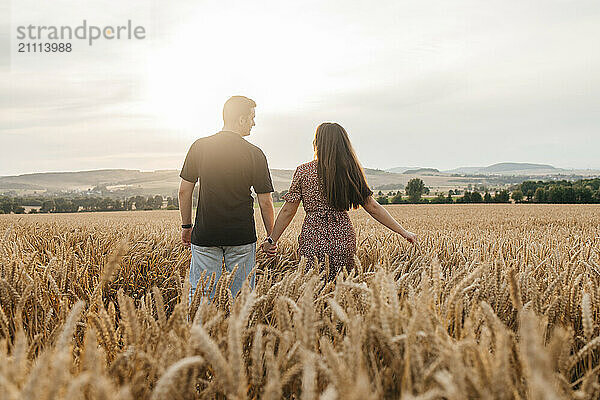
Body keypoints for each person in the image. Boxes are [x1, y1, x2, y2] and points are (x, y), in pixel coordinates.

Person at [261, 122, 417, 279]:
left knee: (312, 291)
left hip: (312, 239)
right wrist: (403, 232)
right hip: (343, 239)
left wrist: (272, 240)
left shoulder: (304, 171)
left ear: (317, 143)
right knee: (342, 291)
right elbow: (373, 207)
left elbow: (288, 210)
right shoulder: (350, 170)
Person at [178, 96, 275, 300]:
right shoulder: (255, 153)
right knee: (242, 296)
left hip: (206, 234)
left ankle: (198, 332)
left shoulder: (200, 146)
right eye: (252, 117)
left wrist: (187, 227)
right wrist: (271, 237)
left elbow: (184, 191)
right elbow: (265, 201)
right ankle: (239, 332)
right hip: (241, 235)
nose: (254, 123)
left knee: (201, 297)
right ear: (240, 119)